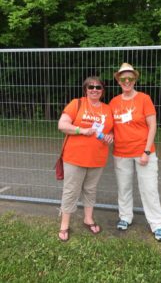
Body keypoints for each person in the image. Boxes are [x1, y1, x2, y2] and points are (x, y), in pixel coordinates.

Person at [109, 63, 161, 242]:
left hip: (143, 152)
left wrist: (147, 151)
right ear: (118, 80)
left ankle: (157, 224)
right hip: (121, 153)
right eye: (123, 78)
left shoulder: (144, 99)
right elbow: (111, 127)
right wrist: (109, 135)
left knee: (149, 189)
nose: (127, 81)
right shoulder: (113, 102)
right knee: (123, 187)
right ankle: (125, 217)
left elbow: (152, 125)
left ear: (135, 80)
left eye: (130, 78)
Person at [58, 76, 113, 241]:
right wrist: (81, 130)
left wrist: (110, 136)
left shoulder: (107, 109)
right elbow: (62, 125)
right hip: (75, 157)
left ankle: (88, 219)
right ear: (85, 90)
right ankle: (64, 224)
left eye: (98, 87)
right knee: (71, 191)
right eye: (91, 87)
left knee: (90, 190)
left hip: (97, 158)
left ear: (103, 91)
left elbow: (112, 131)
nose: (95, 90)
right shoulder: (77, 103)